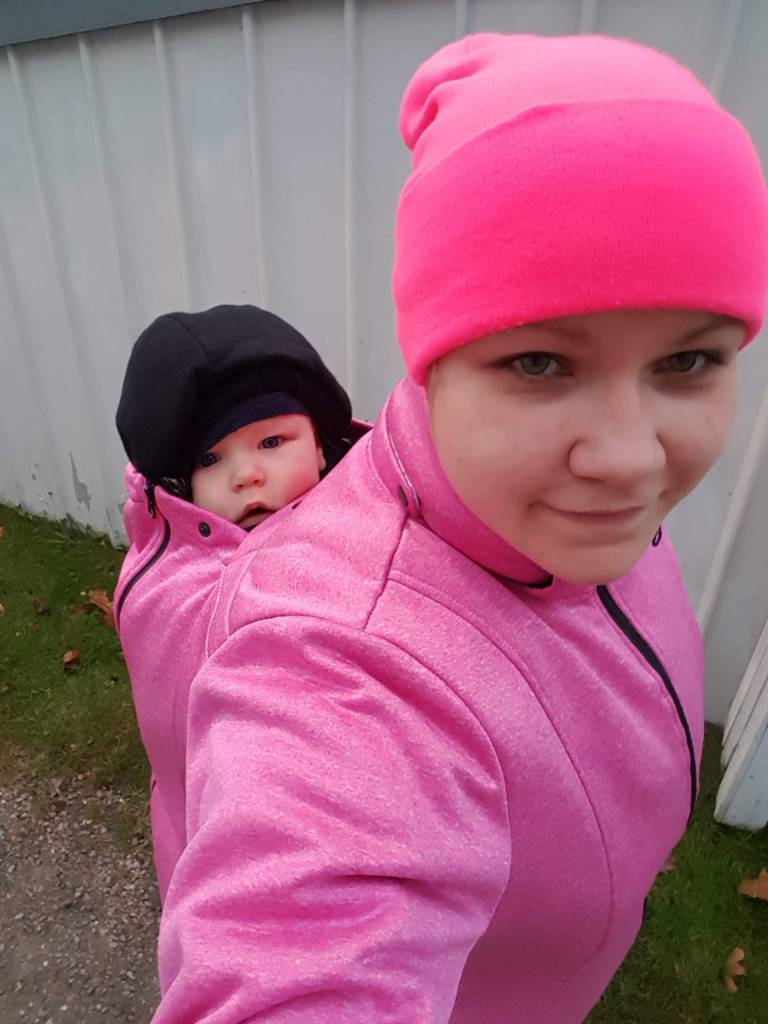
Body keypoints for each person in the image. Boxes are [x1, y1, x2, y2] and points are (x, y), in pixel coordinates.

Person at [150, 34, 768, 1023]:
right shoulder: (345, 664)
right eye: (540, 363)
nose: (628, 457)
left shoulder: (560, 508)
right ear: (433, 360)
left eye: (687, 362)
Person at [114, 303, 355, 901]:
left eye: (272, 441)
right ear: (178, 486)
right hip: (224, 856)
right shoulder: (175, 589)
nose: (247, 475)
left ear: (322, 447)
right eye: (210, 459)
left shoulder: (377, 533)